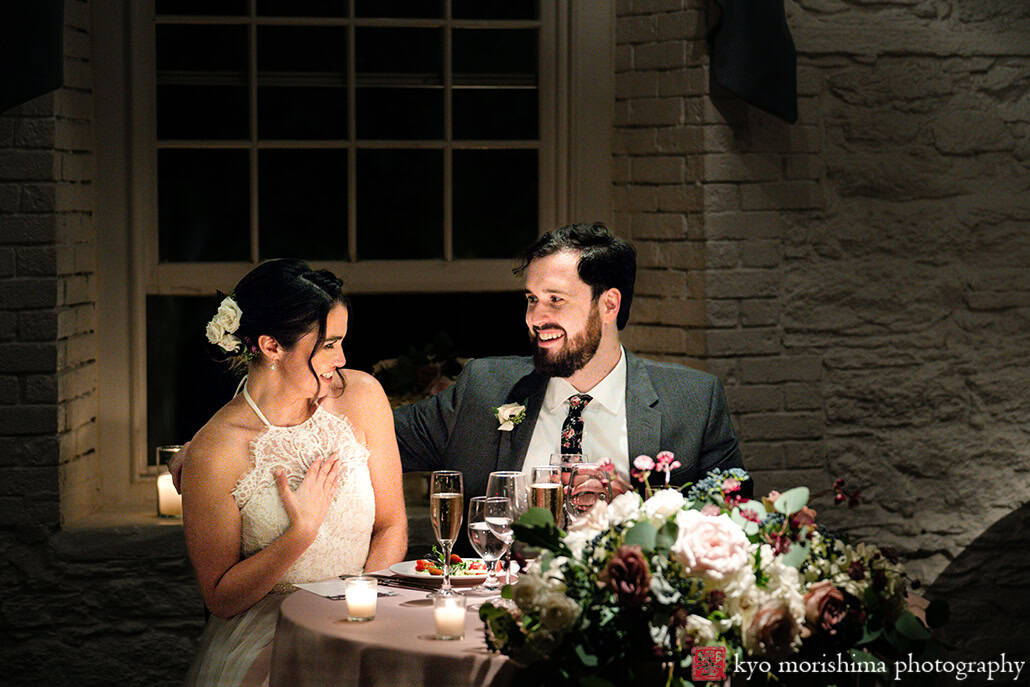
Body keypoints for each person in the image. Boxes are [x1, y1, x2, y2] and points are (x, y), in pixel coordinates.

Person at [394, 222, 747, 544]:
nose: (535, 317)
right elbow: (374, 441)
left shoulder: (692, 402)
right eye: (532, 299)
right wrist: (345, 384)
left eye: (555, 300)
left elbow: (737, 523)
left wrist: (639, 510)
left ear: (608, 305)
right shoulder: (485, 387)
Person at [177, 259, 407, 686]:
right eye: (328, 344)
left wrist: (356, 609)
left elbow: (391, 526)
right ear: (270, 346)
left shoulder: (363, 397)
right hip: (273, 631)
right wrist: (300, 534)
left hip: (365, 614)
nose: (341, 358)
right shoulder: (217, 449)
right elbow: (220, 598)